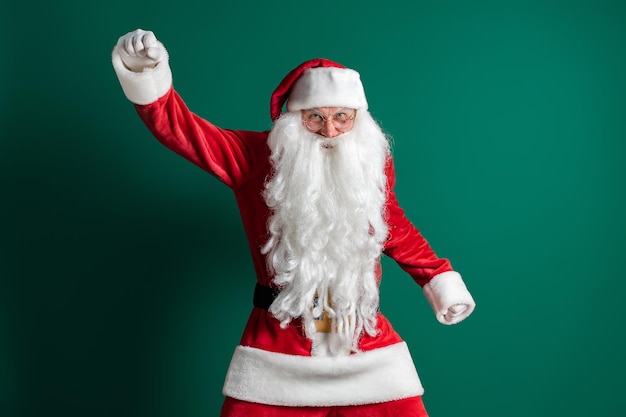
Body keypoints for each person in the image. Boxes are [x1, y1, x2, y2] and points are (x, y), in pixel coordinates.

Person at [112, 28, 476, 417]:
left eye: (341, 117)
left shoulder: (369, 163)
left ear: (358, 117)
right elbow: (183, 131)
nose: (330, 131)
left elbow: (390, 225)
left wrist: (437, 277)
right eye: (315, 118)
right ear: (295, 118)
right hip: (279, 341)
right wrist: (147, 75)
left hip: (357, 334)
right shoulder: (256, 157)